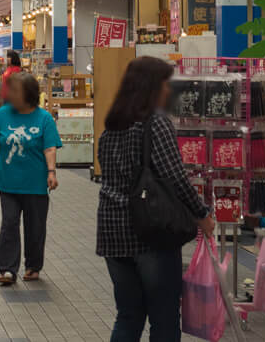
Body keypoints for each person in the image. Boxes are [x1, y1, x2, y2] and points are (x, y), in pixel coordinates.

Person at [96, 57, 215, 342]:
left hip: (112, 232)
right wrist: (202, 215)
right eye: (166, 83)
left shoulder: (111, 126)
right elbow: (175, 177)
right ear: (153, 86)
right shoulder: (155, 123)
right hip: (149, 231)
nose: (168, 90)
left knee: (128, 314)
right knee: (163, 317)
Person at [0, 72, 61, 285]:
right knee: (9, 223)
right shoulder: (2, 115)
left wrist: (51, 172)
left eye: (15, 90)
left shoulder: (44, 118)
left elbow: (49, 148)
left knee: (35, 226)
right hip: (8, 182)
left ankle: (33, 266)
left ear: (28, 94)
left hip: (35, 184)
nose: (9, 93)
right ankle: (8, 269)